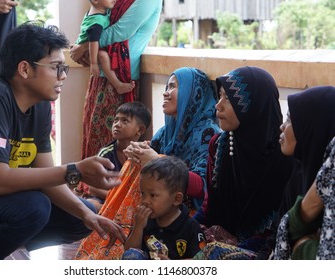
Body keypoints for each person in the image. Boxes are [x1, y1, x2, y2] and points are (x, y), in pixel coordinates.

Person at [0, 21, 125, 260]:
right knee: (33, 206)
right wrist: (75, 170)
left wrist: (86, 213)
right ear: (24, 69)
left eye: (64, 68)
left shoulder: (38, 105)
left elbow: (46, 175)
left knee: (81, 219)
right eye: (55, 67)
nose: (62, 76)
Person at [74, 67, 220, 260]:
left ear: (192, 93)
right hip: (156, 200)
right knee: (136, 163)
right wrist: (136, 152)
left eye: (173, 87)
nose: (166, 92)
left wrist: (155, 159)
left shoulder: (207, 132)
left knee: (150, 165)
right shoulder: (166, 130)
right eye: (166, 86)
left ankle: (116, 243)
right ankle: (114, 236)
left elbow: (202, 187)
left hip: (179, 204)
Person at [196, 66, 294, 259]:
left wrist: (229, 251)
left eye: (228, 99)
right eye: (219, 96)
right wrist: (187, 226)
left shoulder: (284, 156)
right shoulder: (220, 145)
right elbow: (209, 205)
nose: (218, 106)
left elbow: (280, 227)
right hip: (214, 241)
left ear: (254, 106)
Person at [70, 0, 163, 164]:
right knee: (95, 136)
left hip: (121, 77)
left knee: (114, 143)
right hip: (103, 74)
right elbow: (96, 21)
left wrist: (84, 46)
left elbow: (121, 32)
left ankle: (111, 187)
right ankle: (92, 183)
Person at [274, 86, 335, 259]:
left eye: (291, 120)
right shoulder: (298, 174)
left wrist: (303, 248)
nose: (282, 126)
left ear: (313, 127)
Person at [122, 156, 206, 260]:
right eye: (143, 194)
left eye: (152, 195)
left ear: (176, 199)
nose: (145, 200)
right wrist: (138, 227)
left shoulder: (190, 227)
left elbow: (200, 261)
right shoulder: (144, 221)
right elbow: (129, 253)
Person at [78, 101, 152, 211]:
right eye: (116, 120)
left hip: (132, 202)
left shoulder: (144, 154)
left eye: (125, 120)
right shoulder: (106, 154)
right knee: (91, 205)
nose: (117, 124)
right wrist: (117, 200)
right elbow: (93, 189)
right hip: (106, 199)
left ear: (140, 130)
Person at [75, 0, 135, 94]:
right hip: (89, 51)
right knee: (103, 56)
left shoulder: (100, 11)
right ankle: (117, 85)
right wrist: (93, 63)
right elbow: (93, 42)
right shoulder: (97, 21)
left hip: (88, 47)